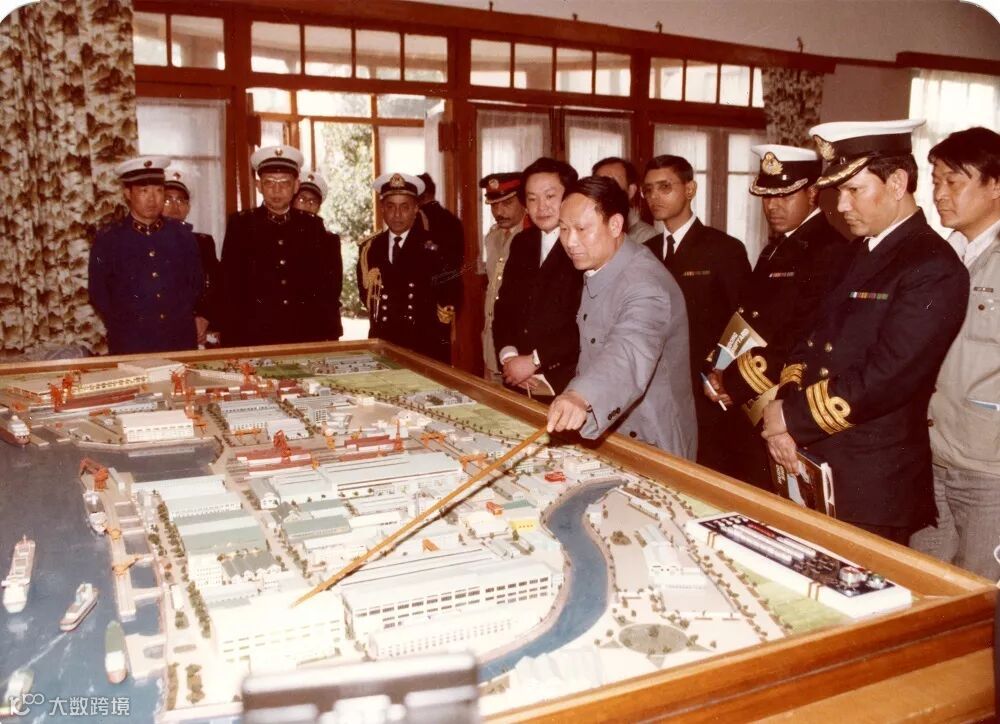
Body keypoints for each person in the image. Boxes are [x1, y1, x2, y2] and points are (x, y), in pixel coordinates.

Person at [761, 119, 969, 544]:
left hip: (871, 480)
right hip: (812, 456)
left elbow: (889, 376)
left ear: (897, 183)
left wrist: (793, 418)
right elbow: (808, 341)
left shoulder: (932, 265)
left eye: (855, 190)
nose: (842, 205)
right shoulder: (854, 252)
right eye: (840, 191)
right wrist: (784, 411)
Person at [705, 145, 849, 489]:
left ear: (812, 193)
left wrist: (735, 382)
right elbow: (748, 319)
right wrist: (719, 369)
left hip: (785, 400)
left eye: (785, 195)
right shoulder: (775, 247)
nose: (772, 206)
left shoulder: (829, 250)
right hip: (750, 398)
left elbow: (803, 334)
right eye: (767, 196)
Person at [547, 176, 696, 458]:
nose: (570, 241)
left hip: (651, 437)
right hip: (610, 426)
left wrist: (581, 396)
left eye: (581, 229)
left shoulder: (646, 284)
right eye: (564, 229)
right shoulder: (602, 264)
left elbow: (628, 350)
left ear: (615, 225)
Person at [909, 126, 1000, 580]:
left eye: (953, 181)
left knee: (982, 596)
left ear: (995, 185)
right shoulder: (942, 257)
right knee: (926, 585)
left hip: (988, 468)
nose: (940, 194)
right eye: (936, 181)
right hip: (930, 454)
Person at [641, 154, 751, 472]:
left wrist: (723, 375)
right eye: (648, 190)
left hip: (705, 389)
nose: (655, 197)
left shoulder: (723, 249)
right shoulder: (645, 252)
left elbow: (742, 323)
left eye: (665, 187)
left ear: (690, 189)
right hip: (656, 389)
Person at [218, 146, 343, 346]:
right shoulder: (241, 225)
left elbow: (326, 290)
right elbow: (229, 286)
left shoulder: (312, 226)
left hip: (303, 334)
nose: (277, 190)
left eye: (285, 183)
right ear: (259, 186)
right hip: (254, 334)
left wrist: (327, 336)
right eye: (269, 182)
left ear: (296, 186)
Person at [89, 155, 203, 355]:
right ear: (127, 193)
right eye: (144, 191)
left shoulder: (182, 236)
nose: (152, 199)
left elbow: (196, 285)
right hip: (131, 342)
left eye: (158, 190)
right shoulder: (109, 239)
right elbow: (99, 294)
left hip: (178, 340)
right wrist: (124, 325)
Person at [493, 157, 582, 396]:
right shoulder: (522, 242)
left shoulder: (583, 245)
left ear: (569, 196)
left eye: (550, 196)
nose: (541, 207)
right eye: (532, 199)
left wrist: (534, 361)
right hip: (517, 378)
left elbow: (583, 322)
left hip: (565, 380)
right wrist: (509, 357)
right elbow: (504, 307)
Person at [357, 172, 460, 363]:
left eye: (404, 207)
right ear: (382, 208)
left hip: (424, 347)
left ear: (416, 209)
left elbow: (451, 295)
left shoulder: (435, 248)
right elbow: (367, 297)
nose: (397, 214)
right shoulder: (370, 248)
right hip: (383, 343)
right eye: (391, 206)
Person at [162, 168, 221, 346]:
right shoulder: (146, 242)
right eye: (167, 200)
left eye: (181, 200)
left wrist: (204, 317)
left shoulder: (203, 242)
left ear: (188, 208)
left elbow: (216, 285)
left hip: (198, 328)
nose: (175, 207)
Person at [479, 172, 529, 383]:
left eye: (507, 203)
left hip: (520, 349)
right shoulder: (493, 237)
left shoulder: (531, 238)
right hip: (493, 342)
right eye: (493, 205)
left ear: (524, 202)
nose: (499, 212)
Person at [292, 168, 344, 340]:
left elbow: (333, 288)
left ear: (319, 207)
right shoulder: (282, 237)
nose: (307, 205)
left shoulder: (329, 241)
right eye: (301, 199)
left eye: (312, 201)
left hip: (320, 324)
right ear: (292, 201)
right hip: (289, 324)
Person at [592, 156, 655, 244]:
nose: (604, 191)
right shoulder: (585, 229)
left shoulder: (647, 237)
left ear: (631, 191)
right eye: (599, 184)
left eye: (612, 185)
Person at [417, 172, 465, 272]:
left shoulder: (417, 218)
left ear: (421, 195)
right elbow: (458, 260)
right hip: (451, 279)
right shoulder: (453, 219)